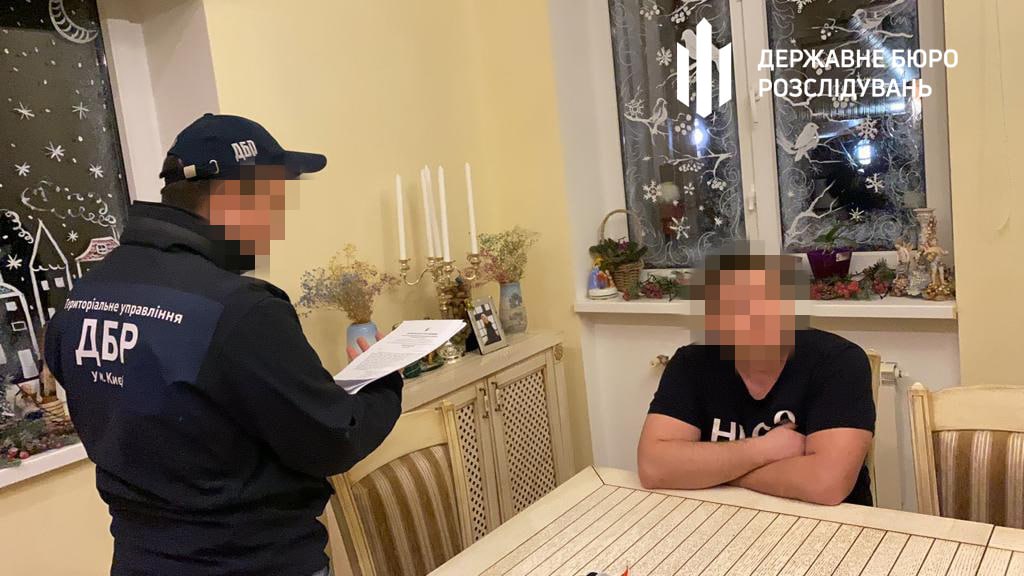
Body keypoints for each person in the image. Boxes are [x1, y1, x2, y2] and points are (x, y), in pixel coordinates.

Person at [44, 114, 403, 576]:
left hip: (140, 561)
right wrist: (384, 381)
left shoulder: (85, 295)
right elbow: (332, 440)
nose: (276, 224)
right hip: (252, 562)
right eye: (274, 201)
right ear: (235, 196)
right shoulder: (238, 309)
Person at [637, 250, 875, 506]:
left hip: (830, 522)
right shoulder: (691, 362)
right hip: (721, 515)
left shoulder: (839, 362)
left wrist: (720, 472)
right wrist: (763, 449)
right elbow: (653, 467)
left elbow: (826, 484)